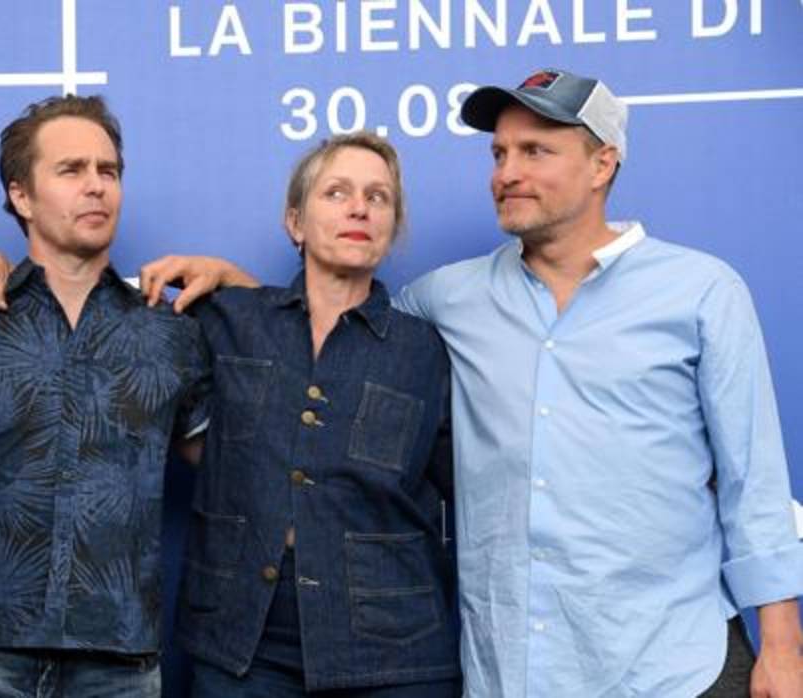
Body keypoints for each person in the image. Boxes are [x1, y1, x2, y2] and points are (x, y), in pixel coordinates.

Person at [133, 69, 803, 697]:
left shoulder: (700, 292)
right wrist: (237, 287)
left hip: (673, 663)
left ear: (603, 164)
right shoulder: (447, 300)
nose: (508, 174)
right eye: (499, 154)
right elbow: (332, 328)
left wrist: (783, 644)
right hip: (518, 667)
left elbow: (755, 482)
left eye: (536, 151)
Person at [0, 132, 460, 695]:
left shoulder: (429, 349)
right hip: (242, 646)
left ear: (394, 224)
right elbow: (83, 299)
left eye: (379, 197)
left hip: (392, 651)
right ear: (294, 222)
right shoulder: (224, 320)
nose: (360, 207)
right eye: (336, 192)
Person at [0, 94, 210, 697]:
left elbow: (239, 463)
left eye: (109, 172)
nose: (96, 187)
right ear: (21, 195)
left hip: (119, 662)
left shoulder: (168, 330)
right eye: (71, 170)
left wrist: (237, 282)